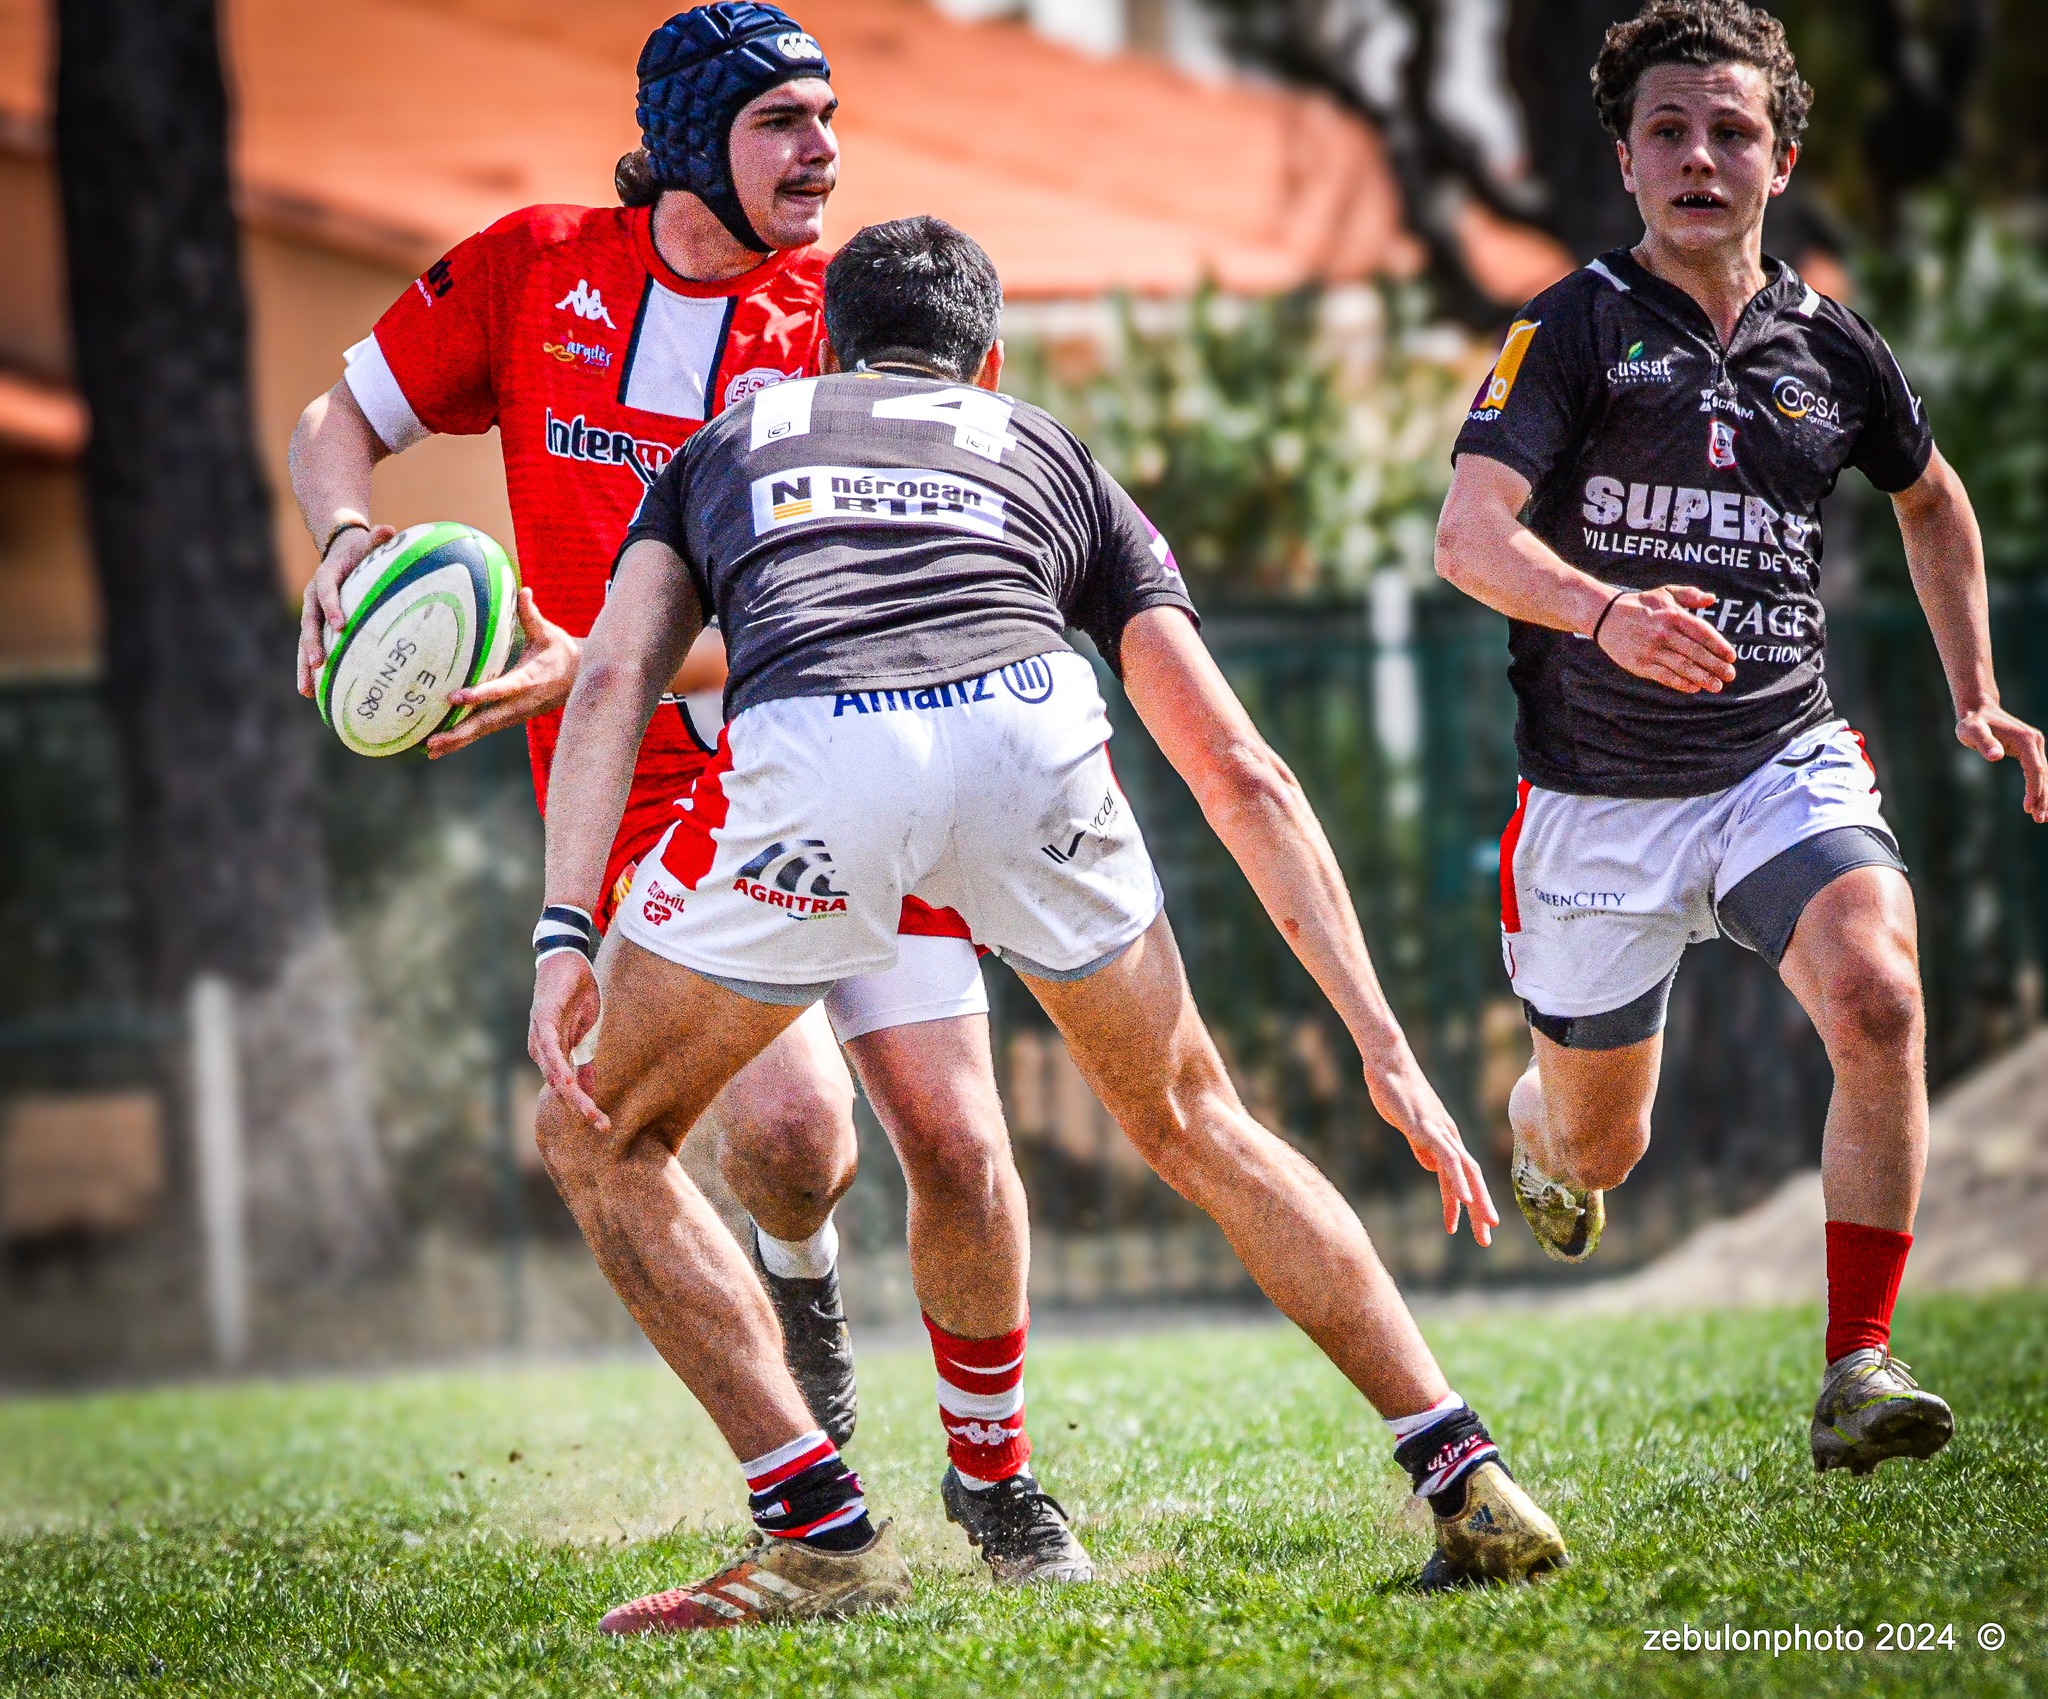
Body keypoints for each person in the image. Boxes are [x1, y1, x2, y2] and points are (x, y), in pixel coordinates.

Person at [527, 214, 1569, 1633]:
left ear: (829, 350)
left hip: (817, 762)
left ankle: (819, 1537)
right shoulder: (1044, 449)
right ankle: (1463, 1469)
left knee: (598, 1130)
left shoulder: (738, 437)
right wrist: (1383, 1045)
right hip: (1028, 736)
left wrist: (563, 932)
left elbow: (607, 686)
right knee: (1198, 1117)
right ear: (987, 360)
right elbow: (1238, 766)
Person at [287, 4, 1089, 1584]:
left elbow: (873, 586)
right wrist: (343, 544)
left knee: (956, 1138)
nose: (825, 153)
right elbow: (340, 423)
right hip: (661, 791)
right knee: (794, 1136)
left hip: (863, 741)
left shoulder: (841, 314)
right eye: (784, 120)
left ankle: (996, 1486)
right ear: (692, 138)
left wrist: (609, 656)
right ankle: (806, 1298)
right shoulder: (528, 269)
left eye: (830, 117)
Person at [1434, 0, 2047, 1477]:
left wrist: (1972, 685)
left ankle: (1858, 1365)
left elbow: (1933, 499)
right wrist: (1600, 614)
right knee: (1602, 1153)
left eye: (1732, 131)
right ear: (1628, 162)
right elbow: (1469, 537)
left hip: (1782, 760)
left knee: (1881, 999)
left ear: (1780, 157)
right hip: (1597, 804)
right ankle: (1538, 1121)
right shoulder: (1572, 326)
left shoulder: (1830, 344)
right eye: (1669, 131)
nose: (1701, 155)